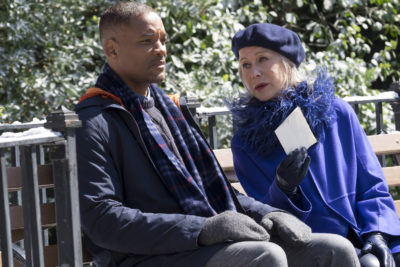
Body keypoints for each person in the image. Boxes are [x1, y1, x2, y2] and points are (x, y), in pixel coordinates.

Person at [75, 2, 360, 266]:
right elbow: (102, 220)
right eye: (147, 41)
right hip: (148, 256)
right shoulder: (94, 121)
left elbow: (219, 192)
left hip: (201, 243)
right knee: (265, 256)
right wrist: (203, 229)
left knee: (335, 250)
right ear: (112, 50)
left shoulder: (169, 109)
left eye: (162, 39)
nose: (161, 49)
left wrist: (269, 213)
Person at [227, 22, 400, 267]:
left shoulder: (337, 112)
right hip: (309, 247)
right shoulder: (245, 143)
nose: (253, 72)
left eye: (262, 59)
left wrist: (378, 233)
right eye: (245, 64)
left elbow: (371, 186)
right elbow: (265, 219)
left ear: (287, 61)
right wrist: (284, 189)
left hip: (365, 232)